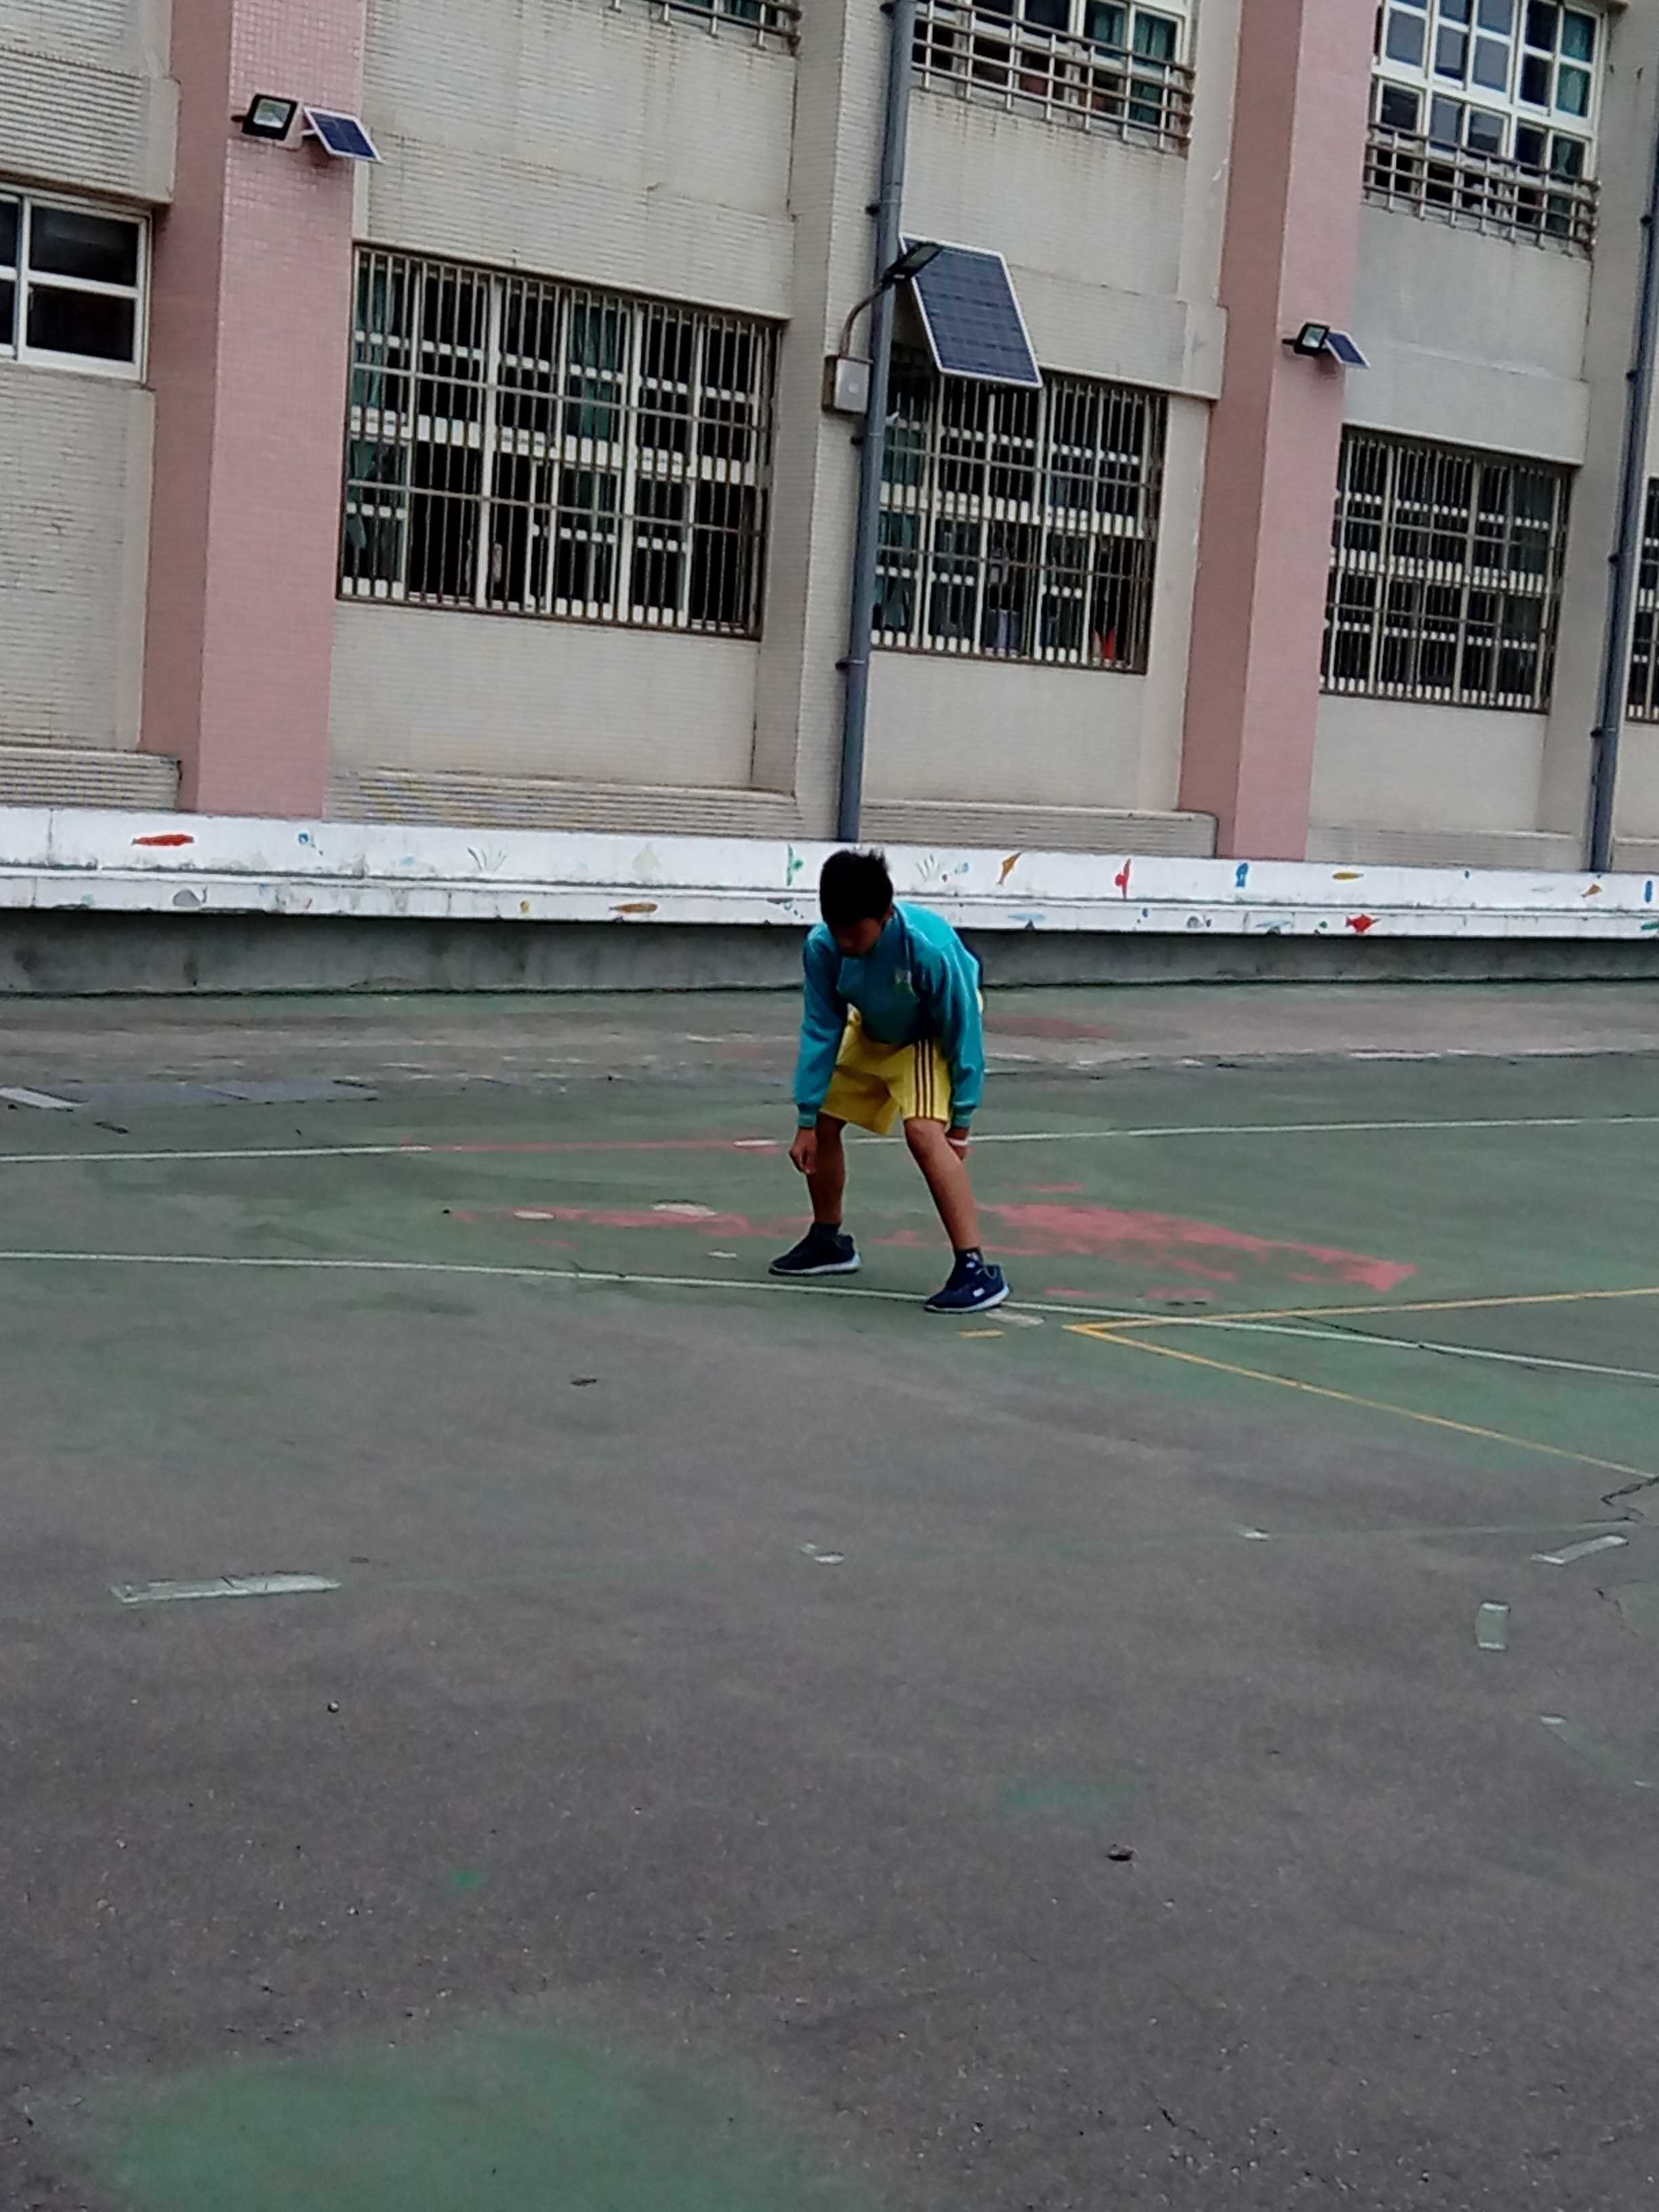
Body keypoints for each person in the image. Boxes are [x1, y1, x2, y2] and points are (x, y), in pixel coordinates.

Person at [771, 848, 1010, 1315]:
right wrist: (805, 1118)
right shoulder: (822, 947)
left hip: (927, 1035)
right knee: (823, 1122)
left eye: (854, 931)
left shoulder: (928, 948)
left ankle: (975, 1269)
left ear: (884, 915)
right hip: (873, 1030)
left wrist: (962, 1122)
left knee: (923, 1133)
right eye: (835, 927)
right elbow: (821, 1028)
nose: (844, 941)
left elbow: (963, 1029)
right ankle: (828, 1240)